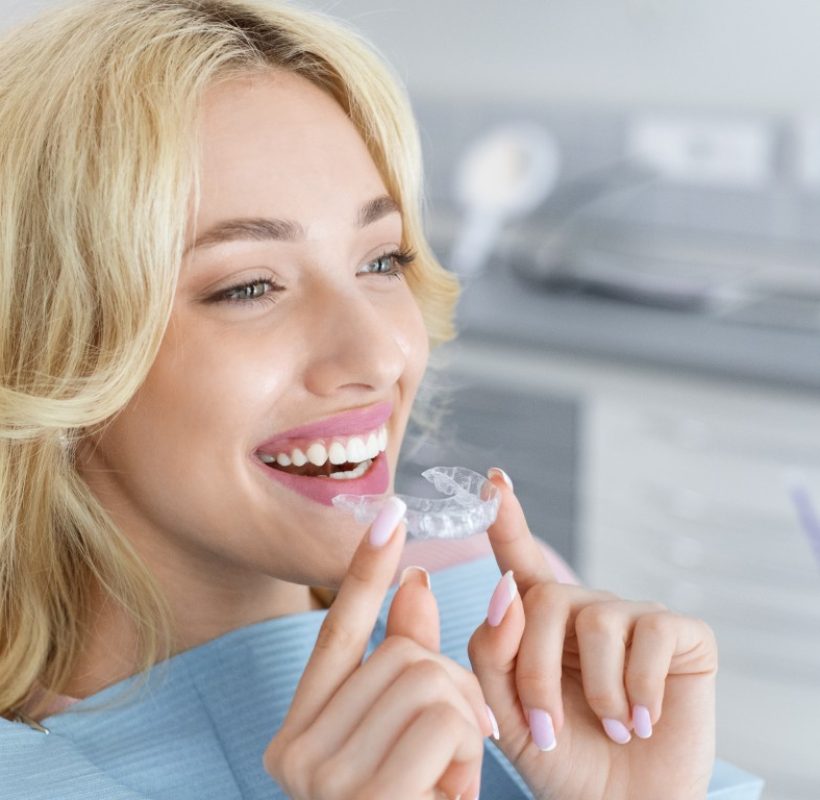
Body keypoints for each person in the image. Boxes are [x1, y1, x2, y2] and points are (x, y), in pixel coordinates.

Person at [0, 1, 760, 798]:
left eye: (382, 261)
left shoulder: (506, 626)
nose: (377, 354)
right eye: (249, 285)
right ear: (51, 350)